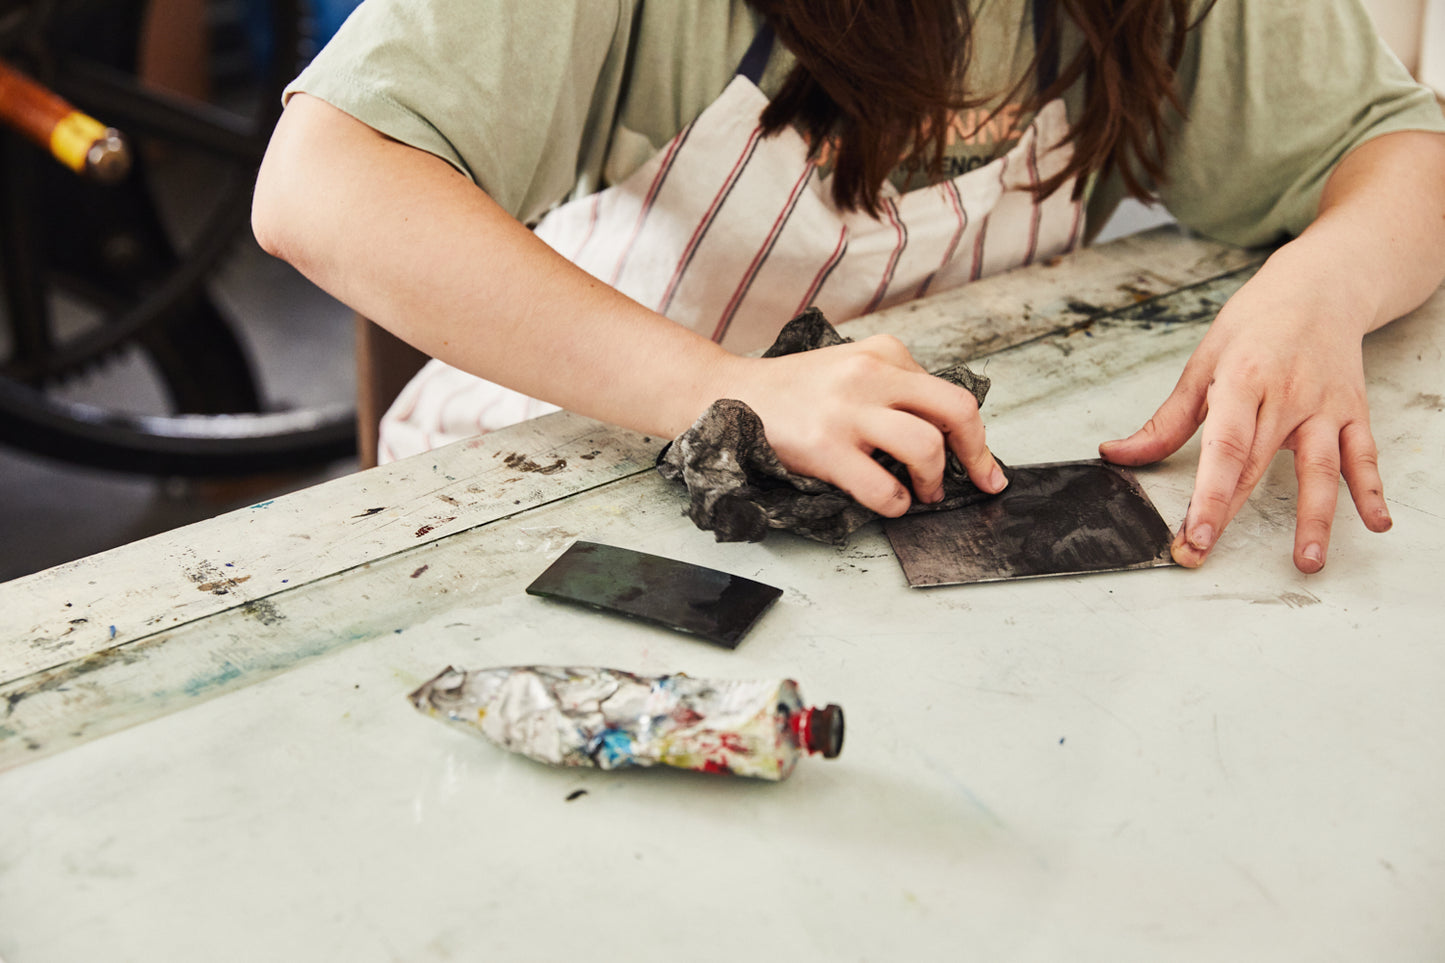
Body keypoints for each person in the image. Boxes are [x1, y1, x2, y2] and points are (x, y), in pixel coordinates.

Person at [251, 0, 1445, 573]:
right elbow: (319, 182)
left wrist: (1321, 287)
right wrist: (720, 388)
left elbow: (1406, 158)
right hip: (562, 500)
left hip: (876, 547)